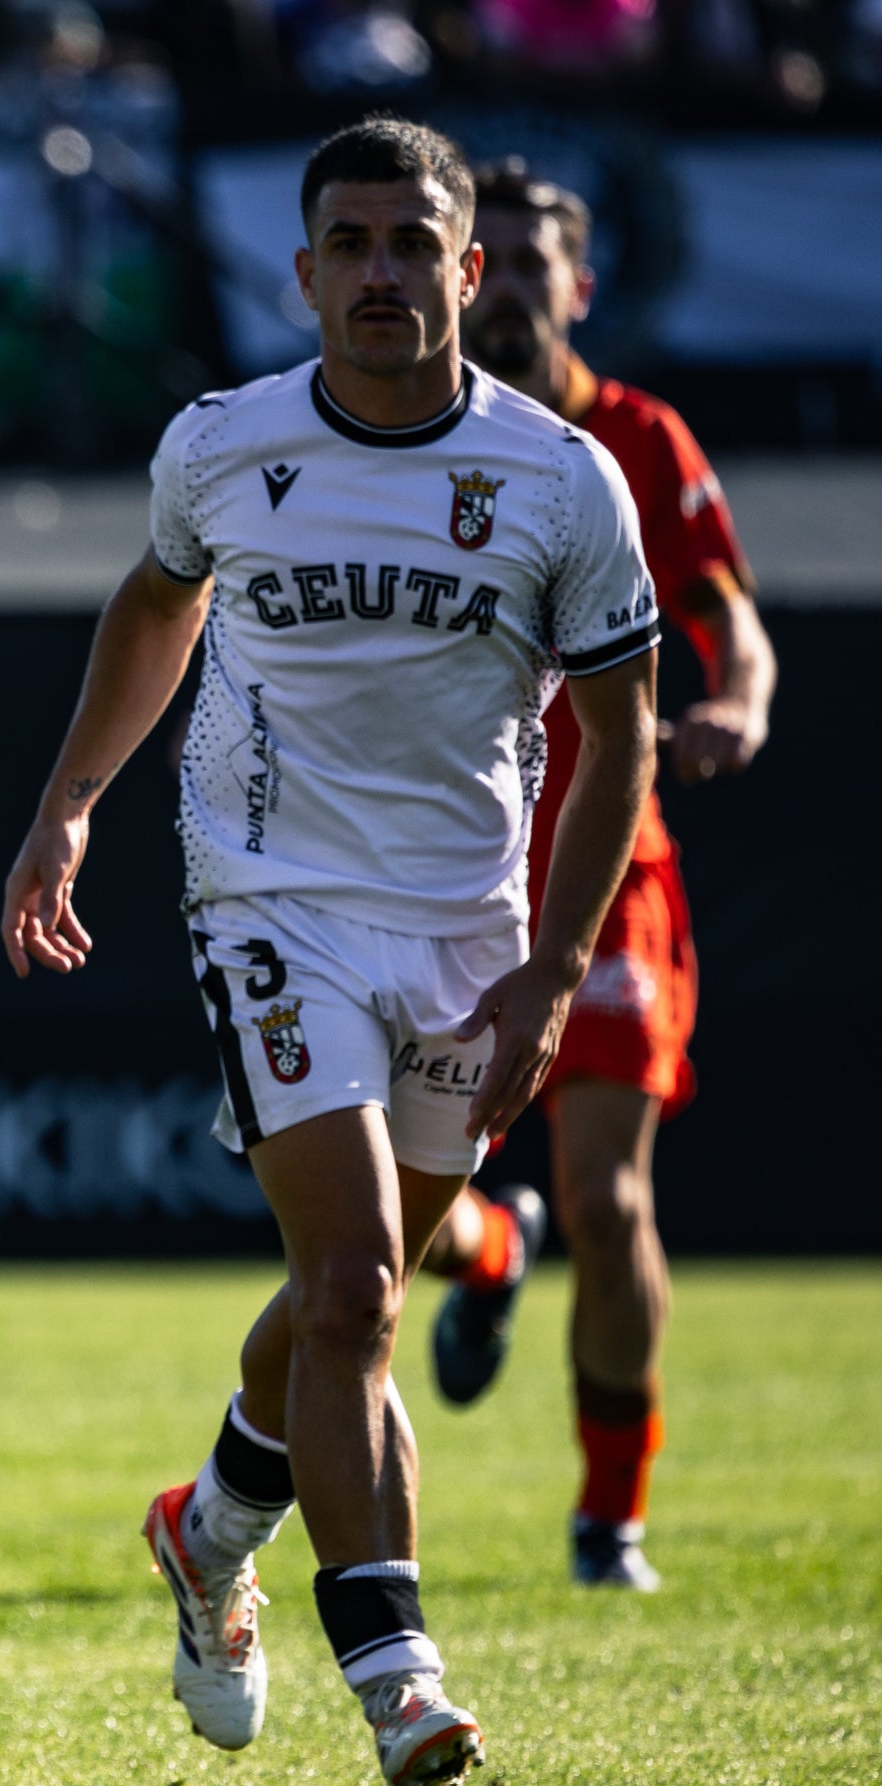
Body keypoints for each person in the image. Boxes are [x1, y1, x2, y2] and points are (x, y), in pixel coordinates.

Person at [0, 116, 658, 1786]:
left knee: (327, 1305)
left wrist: (558, 963)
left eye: (407, 243)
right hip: (267, 898)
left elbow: (616, 725)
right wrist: (70, 806)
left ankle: (210, 1528)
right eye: (345, 245)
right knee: (361, 1285)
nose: (378, 272)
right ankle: (398, 1674)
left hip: (471, 933)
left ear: (468, 268)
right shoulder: (224, 446)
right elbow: (158, 609)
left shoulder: (563, 480)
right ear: (303, 275)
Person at [413, 160, 779, 1592]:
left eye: (528, 262)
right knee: (401, 1207)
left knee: (612, 1190)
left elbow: (726, 618)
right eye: (480, 259)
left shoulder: (635, 436)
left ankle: (607, 1517)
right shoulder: (405, 440)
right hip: (440, 876)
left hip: (610, 869)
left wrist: (738, 702)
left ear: (581, 283)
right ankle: (495, 1252)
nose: (503, 285)